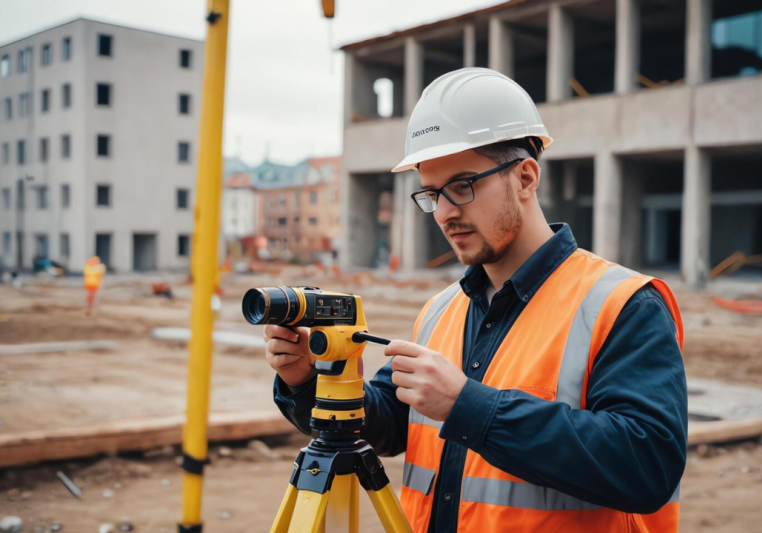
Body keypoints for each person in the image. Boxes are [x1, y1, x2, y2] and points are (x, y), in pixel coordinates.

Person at [264, 68, 687, 533]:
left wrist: (470, 406)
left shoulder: (621, 304)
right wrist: (306, 380)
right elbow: (388, 425)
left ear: (525, 177)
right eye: (431, 194)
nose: (444, 212)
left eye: (463, 186)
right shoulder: (442, 310)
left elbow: (648, 466)